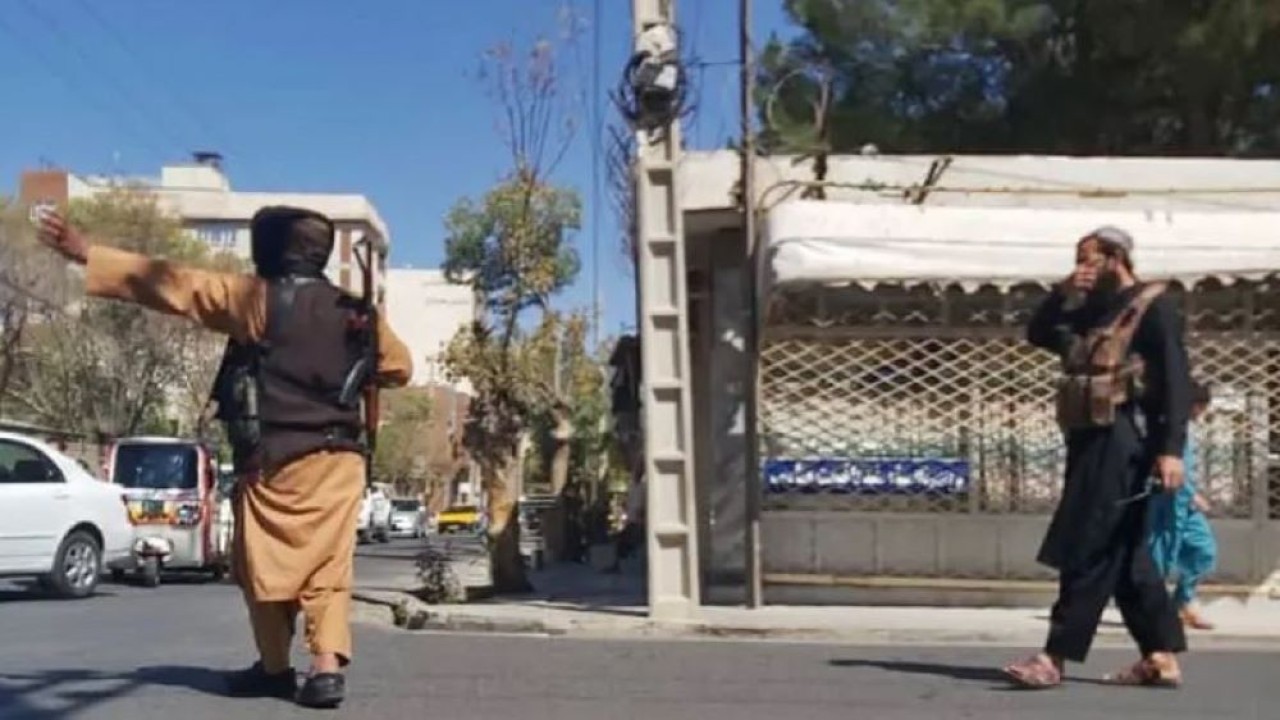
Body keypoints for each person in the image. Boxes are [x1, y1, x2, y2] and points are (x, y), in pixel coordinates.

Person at [37, 207, 412, 709]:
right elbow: (399, 367)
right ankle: (325, 670)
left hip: (274, 462)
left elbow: (176, 286)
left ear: (271, 249)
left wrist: (87, 253)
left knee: (260, 567)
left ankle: (276, 669)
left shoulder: (254, 299)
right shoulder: (357, 313)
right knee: (328, 568)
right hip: (340, 460)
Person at [1002, 226, 1191, 689]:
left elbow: (1175, 381)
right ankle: (1159, 656)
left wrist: (1171, 450)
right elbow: (1040, 333)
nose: (1082, 267)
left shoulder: (1153, 306)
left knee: (1088, 541)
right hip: (1090, 436)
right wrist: (1062, 293)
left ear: (1115, 257)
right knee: (1126, 554)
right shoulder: (1090, 310)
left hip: (1126, 438)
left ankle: (1054, 656)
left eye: (1089, 258)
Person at [1148, 380, 1218, 630]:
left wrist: (1191, 495)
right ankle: (1154, 611)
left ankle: (1183, 602)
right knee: (1159, 558)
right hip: (1164, 505)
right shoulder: (1165, 429)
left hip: (1184, 506)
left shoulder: (1183, 430)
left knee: (1203, 550)